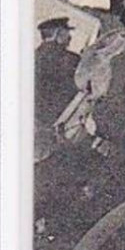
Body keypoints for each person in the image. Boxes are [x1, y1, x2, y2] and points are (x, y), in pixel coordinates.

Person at [35, 17, 80, 160]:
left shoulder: (33, 56)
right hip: (57, 126)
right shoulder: (70, 59)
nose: (70, 37)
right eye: (67, 32)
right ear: (58, 33)